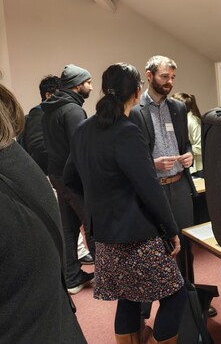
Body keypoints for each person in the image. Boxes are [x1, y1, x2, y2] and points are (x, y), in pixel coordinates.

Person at [63, 63, 186, 344]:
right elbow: (149, 188)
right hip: (136, 236)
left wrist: (92, 211)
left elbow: (69, 179)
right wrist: (172, 230)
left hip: (104, 235)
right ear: (137, 92)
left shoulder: (83, 129)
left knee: (129, 297)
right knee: (175, 295)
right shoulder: (127, 131)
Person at [0, 84, 87, 343]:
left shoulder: (44, 115)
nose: (90, 86)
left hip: (57, 180)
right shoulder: (14, 156)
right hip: (56, 326)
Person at [130, 55, 199, 318]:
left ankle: (189, 302)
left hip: (179, 186)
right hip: (152, 190)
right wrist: (152, 163)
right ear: (149, 76)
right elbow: (128, 155)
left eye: (172, 77)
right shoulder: (135, 111)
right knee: (153, 250)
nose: (170, 82)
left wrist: (189, 155)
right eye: (164, 77)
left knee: (185, 246)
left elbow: (186, 143)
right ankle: (146, 311)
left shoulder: (178, 108)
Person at [42, 64, 96, 293]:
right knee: (93, 225)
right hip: (74, 179)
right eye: (88, 82)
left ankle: (72, 277)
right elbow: (80, 150)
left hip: (57, 175)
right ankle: (109, 278)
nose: (91, 87)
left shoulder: (49, 109)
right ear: (77, 85)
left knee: (69, 228)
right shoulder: (73, 111)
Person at [19, 74, 60, 174]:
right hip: (47, 175)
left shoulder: (47, 115)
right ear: (48, 95)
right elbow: (38, 149)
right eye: (61, 94)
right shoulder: (38, 115)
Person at [172, 92, 203, 177]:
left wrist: (183, 150)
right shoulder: (180, 119)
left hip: (197, 169)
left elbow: (200, 147)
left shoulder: (193, 122)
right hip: (185, 167)